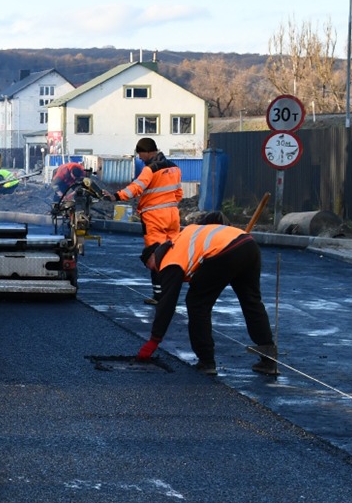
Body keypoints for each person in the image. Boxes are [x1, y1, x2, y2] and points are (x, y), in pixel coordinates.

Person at [135, 223, 280, 377]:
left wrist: (154, 340)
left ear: (153, 256)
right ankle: (268, 361)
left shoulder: (169, 261)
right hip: (247, 244)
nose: (153, 271)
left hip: (224, 252)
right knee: (251, 302)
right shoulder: (182, 238)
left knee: (197, 304)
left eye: (149, 266)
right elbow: (213, 220)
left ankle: (206, 362)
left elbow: (167, 303)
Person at [104, 137, 182, 304]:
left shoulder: (150, 170)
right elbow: (178, 193)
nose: (140, 158)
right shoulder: (174, 168)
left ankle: (159, 296)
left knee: (156, 256)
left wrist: (116, 196)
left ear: (147, 152)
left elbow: (136, 188)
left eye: (140, 154)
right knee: (173, 254)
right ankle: (171, 294)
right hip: (173, 216)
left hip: (155, 218)